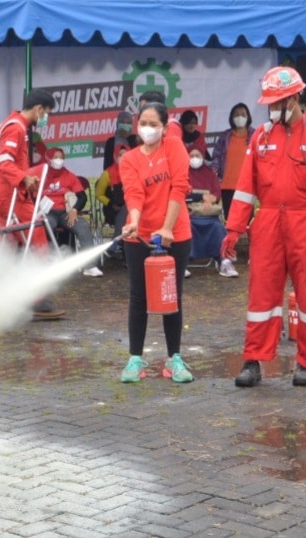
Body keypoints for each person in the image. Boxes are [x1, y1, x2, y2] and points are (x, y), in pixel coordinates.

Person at [221, 66, 306, 388]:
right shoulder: (260, 136)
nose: (273, 109)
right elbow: (245, 186)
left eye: (279, 102)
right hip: (267, 224)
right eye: (271, 103)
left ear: (294, 98)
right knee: (261, 293)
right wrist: (234, 228)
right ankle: (253, 360)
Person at [117, 100, 194, 384]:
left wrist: (167, 227)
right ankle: (135, 359)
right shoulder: (130, 159)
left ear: (164, 127)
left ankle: (174, 359)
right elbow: (134, 193)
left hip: (177, 232)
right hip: (140, 237)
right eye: (144, 123)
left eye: (154, 124)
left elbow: (179, 186)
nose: (147, 129)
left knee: (172, 295)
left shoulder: (174, 147)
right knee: (139, 297)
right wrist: (134, 221)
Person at [0, 88, 60, 316]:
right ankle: (37, 298)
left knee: (4, 247)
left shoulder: (7, 124)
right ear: (38, 109)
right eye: (47, 113)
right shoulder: (16, 129)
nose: (46, 118)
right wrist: (23, 177)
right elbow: (4, 162)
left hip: (5, 196)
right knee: (38, 241)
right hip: (15, 196)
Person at [35, 147, 103, 277]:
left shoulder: (68, 175)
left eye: (61, 157)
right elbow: (32, 196)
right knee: (46, 225)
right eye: (55, 157)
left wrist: (74, 210)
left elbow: (83, 196)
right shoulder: (41, 175)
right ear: (48, 159)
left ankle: (89, 266)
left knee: (83, 226)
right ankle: (47, 264)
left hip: (65, 212)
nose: (59, 160)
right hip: (47, 213)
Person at [186, 148, 237, 277]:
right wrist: (202, 197)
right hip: (190, 214)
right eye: (191, 155)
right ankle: (183, 263)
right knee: (185, 227)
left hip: (209, 214)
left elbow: (217, 193)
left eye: (197, 155)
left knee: (218, 227)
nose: (194, 158)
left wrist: (211, 198)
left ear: (203, 157)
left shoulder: (209, 173)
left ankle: (225, 261)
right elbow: (182, 192)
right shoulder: (183, 172)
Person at [211, 103, 256, 219]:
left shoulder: (255, 136)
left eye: (242, 114)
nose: (239, 117)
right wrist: (214, 171)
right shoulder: (225, 136)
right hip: (227, 186)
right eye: (236, 115)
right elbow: (216, 155)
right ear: (231, 118)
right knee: (229, 220)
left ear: (248, 117)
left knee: (247, 221)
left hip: (246, 187)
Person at [95, 144, 129, 256]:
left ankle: (116, 244)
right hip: (113, 208)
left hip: (133, 206)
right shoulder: (107, 174)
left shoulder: (136, 170)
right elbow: (99, 194)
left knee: (128, 209)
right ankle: (118, 244)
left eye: (126, 155)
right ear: (115, 156)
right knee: (126, 211)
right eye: (120, 155)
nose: (123, 157)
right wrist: (111, 204)